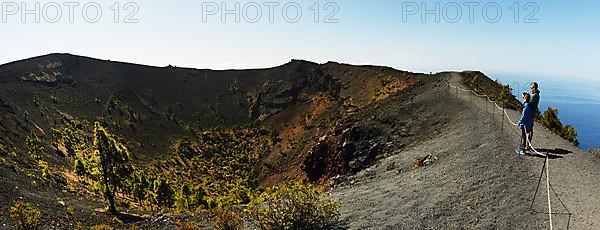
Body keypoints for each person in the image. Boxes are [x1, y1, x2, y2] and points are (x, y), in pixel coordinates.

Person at [528, 82, 540, 150]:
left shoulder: (535, 95)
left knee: (529, 130)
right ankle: (528, 144)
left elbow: (529, 104)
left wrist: (525, 99)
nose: (531, 89)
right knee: (530, 129)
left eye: (531, 88)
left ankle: (528, 145)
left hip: (531, 113)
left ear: (535, 88)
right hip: (532, 113)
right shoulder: (535, 94)